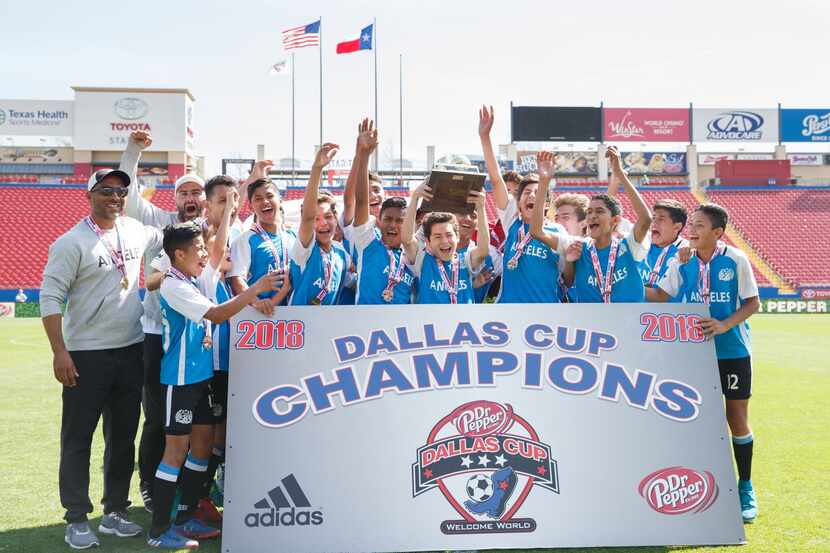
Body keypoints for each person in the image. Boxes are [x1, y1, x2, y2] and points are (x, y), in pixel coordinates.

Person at [40, 167, 162, 549]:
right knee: (78, 439)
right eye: (107, 190)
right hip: (85, 355)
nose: (115, 197)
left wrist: (157, 274)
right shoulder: (70, 242)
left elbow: (171, 243)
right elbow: (49, 298)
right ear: (89, 194)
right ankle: (76, 517)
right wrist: (60, 351)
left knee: (123, 438)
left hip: (131, 348)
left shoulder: (136, 229)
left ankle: (115, 512)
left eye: (121, 192)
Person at [148, 222, 280, 549]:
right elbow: (218, 315)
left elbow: (219, 250)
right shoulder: (172, 285)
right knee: (175, 452)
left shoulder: (191, 280)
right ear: (179, 254)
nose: (205, 254)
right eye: (198, 249)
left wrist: (227, 212)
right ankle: (158, 529)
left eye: (204, 249)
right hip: (179, 381)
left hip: (200, 379)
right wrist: (253, 289)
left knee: (203, 446)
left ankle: (185, 516)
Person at [646, 203, 760, 524]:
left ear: (717, 232)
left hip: (732, 352)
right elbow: (661, 297)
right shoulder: (681, 261)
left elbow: (753, 302)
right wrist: (616, 291)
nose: (691, 230)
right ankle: (700, 486)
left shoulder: (736, 260)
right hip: (693, 354)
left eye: (698, 225)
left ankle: (745, 486)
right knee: (696, 421)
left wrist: (725, 325)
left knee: (736, 419)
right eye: (691, 224)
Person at [120, 130, 208, 512]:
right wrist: (134, 150)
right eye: (183, 193)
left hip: (201, 340)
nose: (190, 199)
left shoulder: (214, 229)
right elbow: (130, 197)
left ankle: (196, 491)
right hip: (159, 335)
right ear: (175, 200)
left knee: (201, 421)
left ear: (204, 200)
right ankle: (151, 485)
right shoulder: (158, 223)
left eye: (195, 193)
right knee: (157, 416)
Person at [479, 106, 569, 303]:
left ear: (547, 204)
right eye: (526, 193)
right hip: (508, 313)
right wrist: (485, 137)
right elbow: (495, 180)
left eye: (538, 194)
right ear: (518, 202)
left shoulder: (558, 230)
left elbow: (568, 276)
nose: (531, 197)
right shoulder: (512, 222)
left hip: (545, 314)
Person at [561, 146, 653, 302]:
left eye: (599, 212)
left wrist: (620, 175)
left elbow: (645, 219)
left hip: (628, 322)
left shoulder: (628, 245)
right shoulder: (580, 248)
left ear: (615, 220)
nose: (592, 216)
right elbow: (569, 282)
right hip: (593, 325)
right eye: (589, 212)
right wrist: (569, 261)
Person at [351, 120, 415, 304]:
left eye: (400, 220)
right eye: (388, 219)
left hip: (399, 330)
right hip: (364, 328)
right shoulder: (367, 242)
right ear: (378, 220)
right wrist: (364, 155)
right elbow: (362, 201)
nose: (393, 225)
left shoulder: (413, 254)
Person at [401, 180, 490, 304]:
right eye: (437, 236)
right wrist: (415, 198)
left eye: (449, 235)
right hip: (430, 322)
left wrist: (480, 207)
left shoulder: (465, 260)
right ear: (428, 241)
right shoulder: (422, 259)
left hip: (462, 322)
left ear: (457, 237)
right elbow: (406, 240)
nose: (444, 241)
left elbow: (483, 249)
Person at [289, 143, 351, 305]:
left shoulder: (341, 253)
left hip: (328, 328)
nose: (323, 223)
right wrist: (317, 169)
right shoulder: (304, 248)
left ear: (336, 218)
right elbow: (307, 218)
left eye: (328, 216)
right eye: (316, 219)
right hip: (300, 327)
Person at [229, 178, 294, 315]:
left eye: (270, 196)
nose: (265, 201)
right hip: (257, 315)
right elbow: (236, 279)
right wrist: (256, 301)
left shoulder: (292, 237)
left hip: (292, 314)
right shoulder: (245, 240)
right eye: (258, 199)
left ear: (280, 200)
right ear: (251, 207)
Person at [638, 199, 688, 287]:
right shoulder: (641, 241)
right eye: (653, 218)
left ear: (677, 226)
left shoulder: (686, 251)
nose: (654, 223)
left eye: (661, 219)